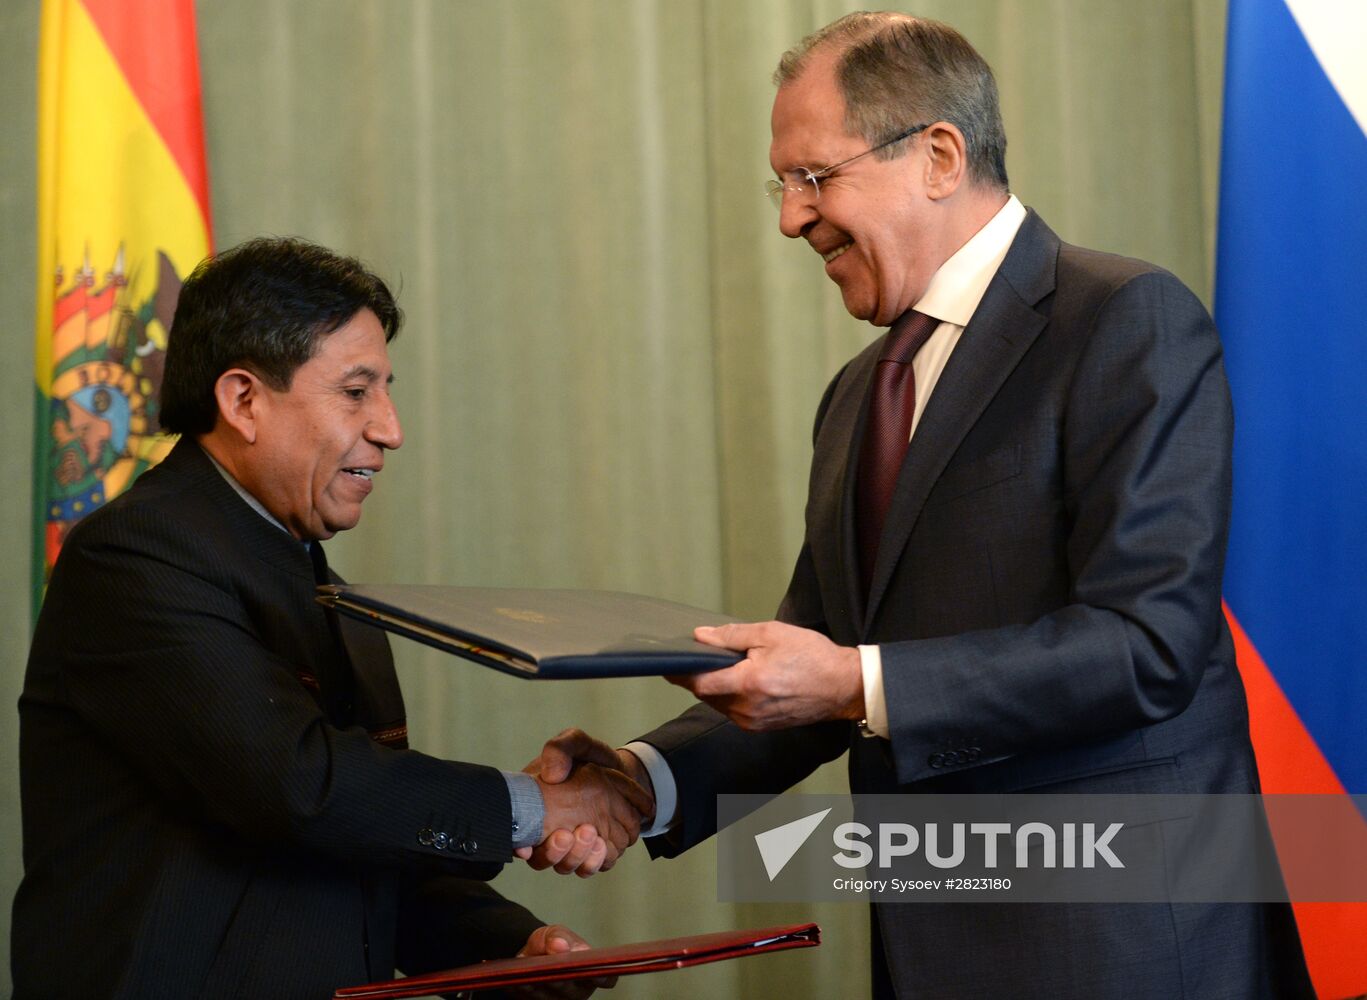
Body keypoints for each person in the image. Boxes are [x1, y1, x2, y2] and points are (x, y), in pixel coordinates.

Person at [525, 12, 1314, 998]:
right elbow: (821, 659)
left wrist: (850, 680)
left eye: (813, 177)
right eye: (781, 186)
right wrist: (643, 781)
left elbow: (1144, 645)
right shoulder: (858, 394)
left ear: (938, 156)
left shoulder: (1122, 319)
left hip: (1117, 947)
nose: (790, 219)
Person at [12, 237, 648, 998]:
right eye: (355, 392)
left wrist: (508, 945)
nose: (390, 429)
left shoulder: (332, 595)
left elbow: (362, 845)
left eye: (386, 392)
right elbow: (298, 788)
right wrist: (538, 806)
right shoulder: (135, 556)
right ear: (243, 401)